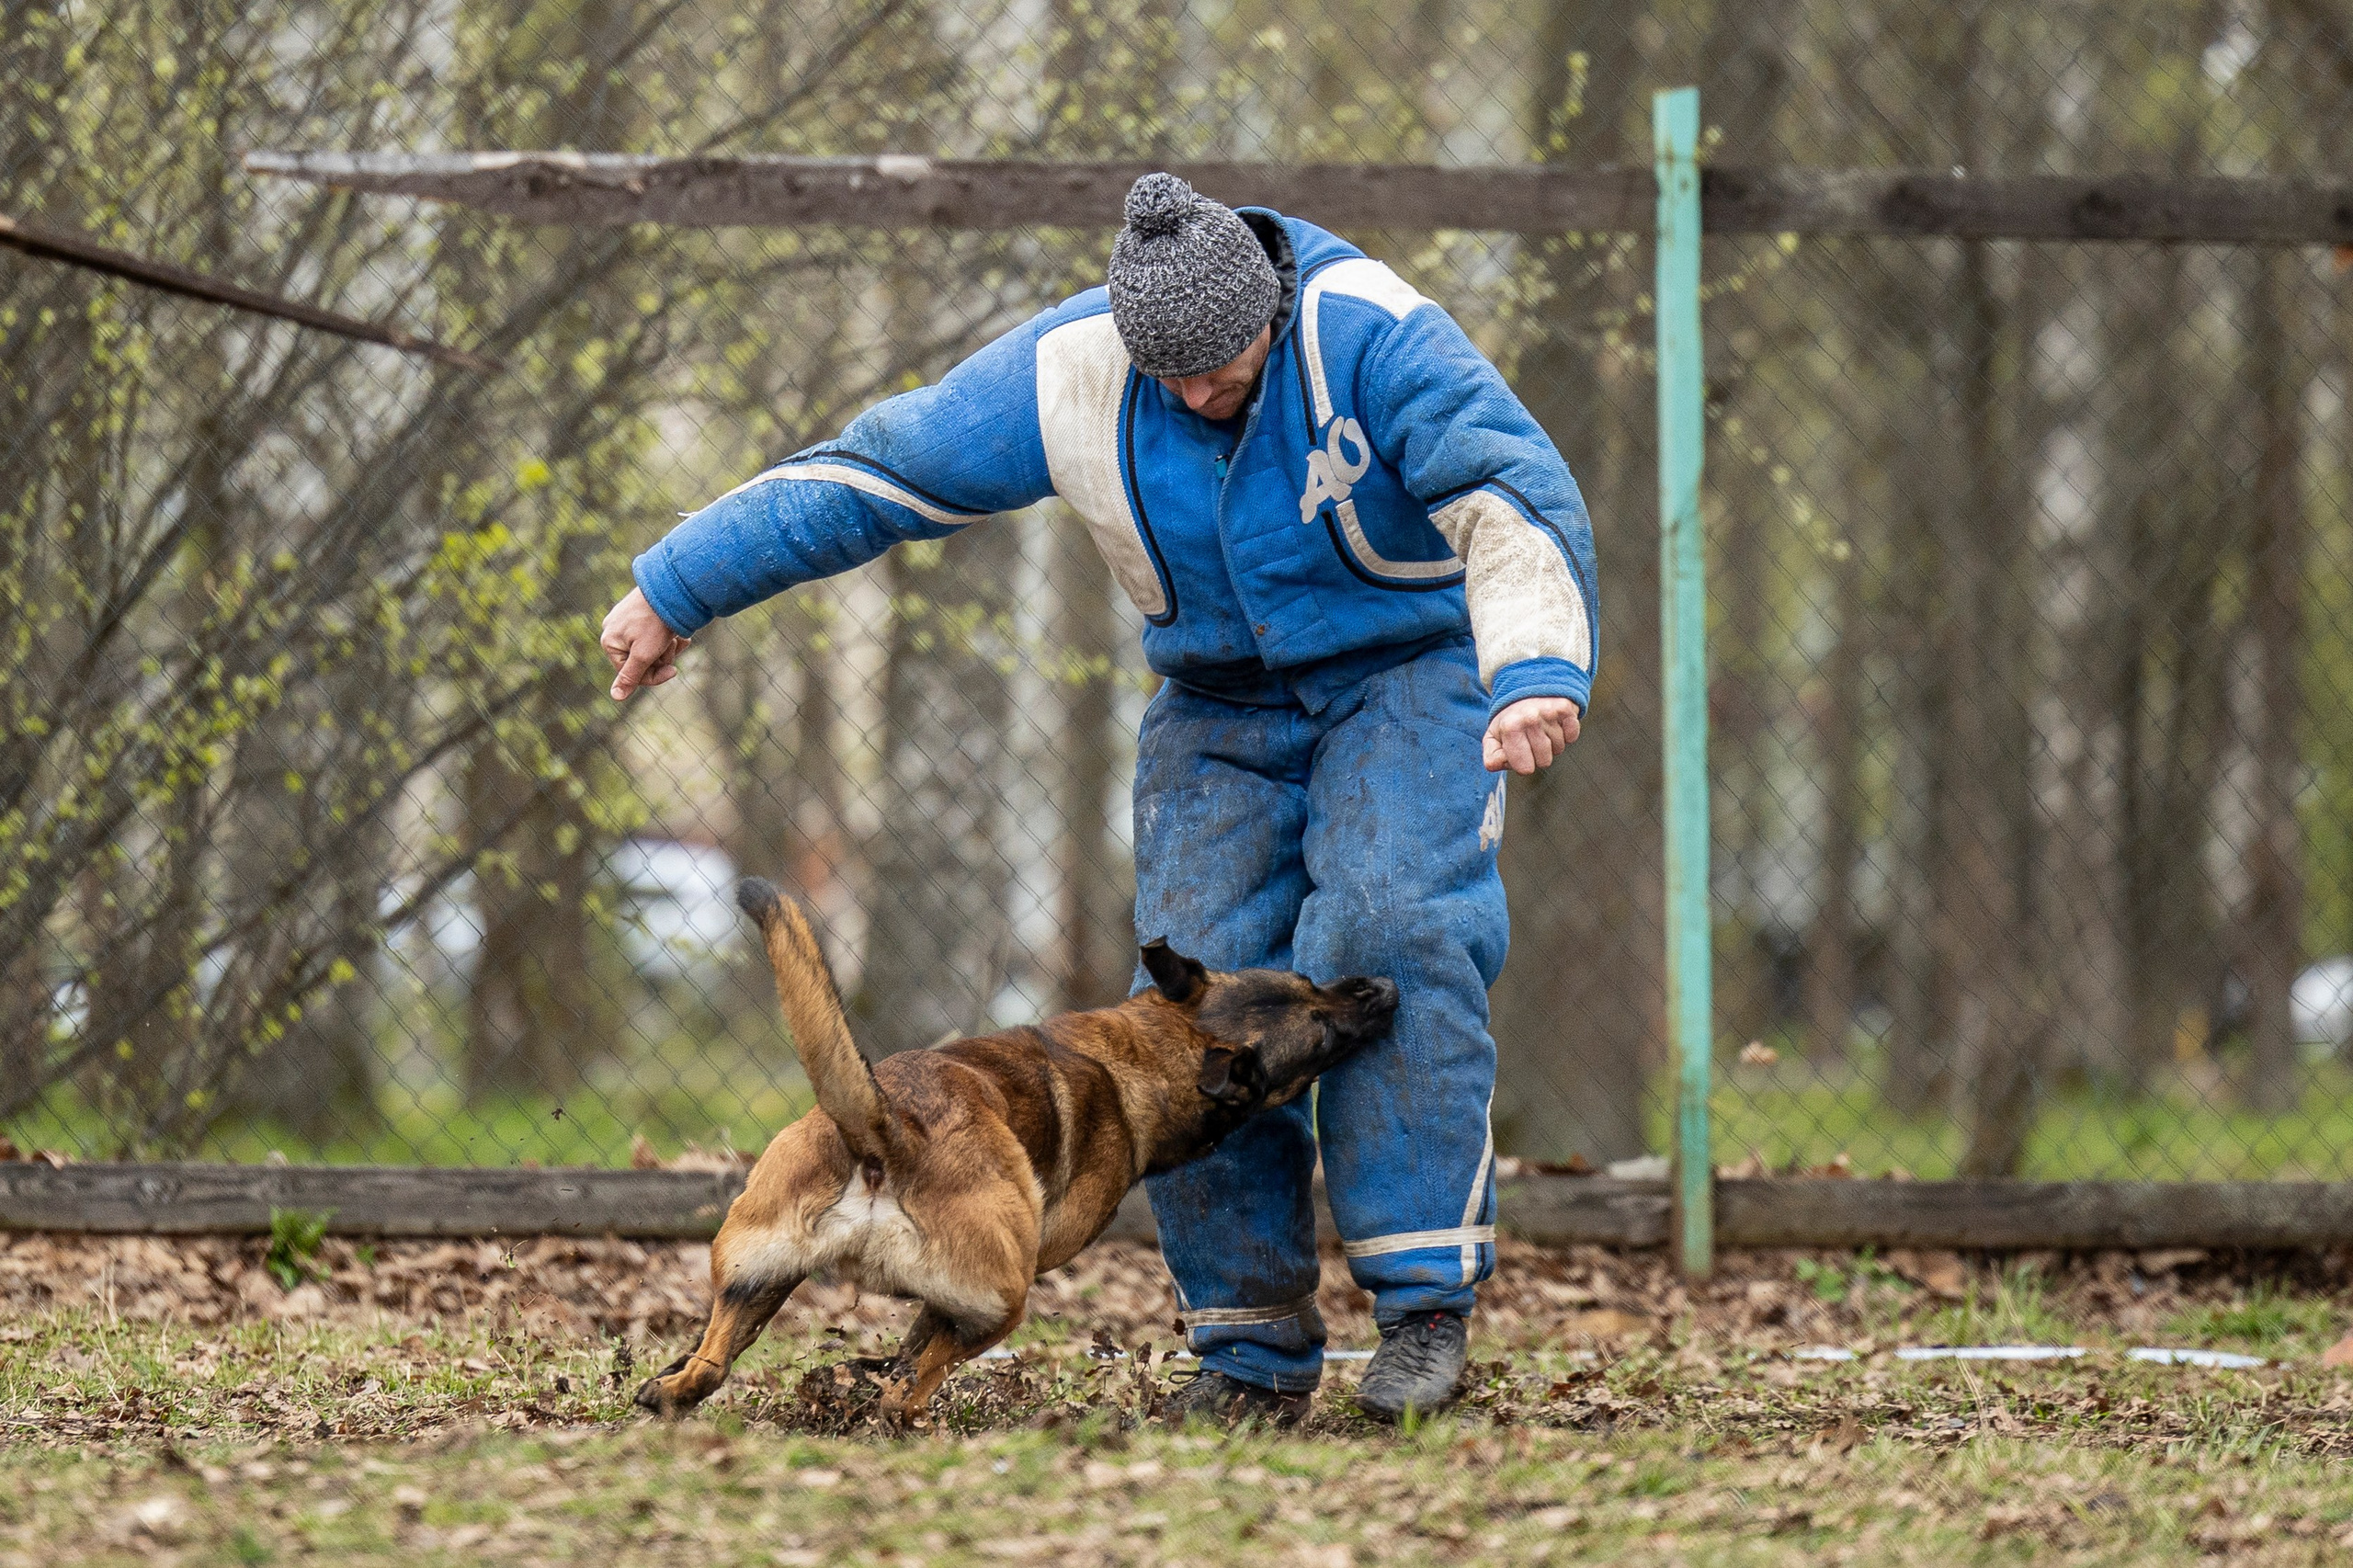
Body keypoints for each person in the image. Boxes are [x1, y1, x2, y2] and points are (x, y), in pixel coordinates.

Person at [601, 173, 1597, 1426]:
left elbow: (1512, 490)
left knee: (1387, 930)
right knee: (1185, 1018)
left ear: (1272, 312)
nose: (1190, 393)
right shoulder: (1072, 368)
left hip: (1412, 674)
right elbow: (879, 469)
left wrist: (1537, 670)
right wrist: (676, 587)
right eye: (1164, 373)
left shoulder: (1373, 334)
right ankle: (1246, 1349)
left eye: (1217, 366)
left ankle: (1422, 1312)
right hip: (1218, 703)